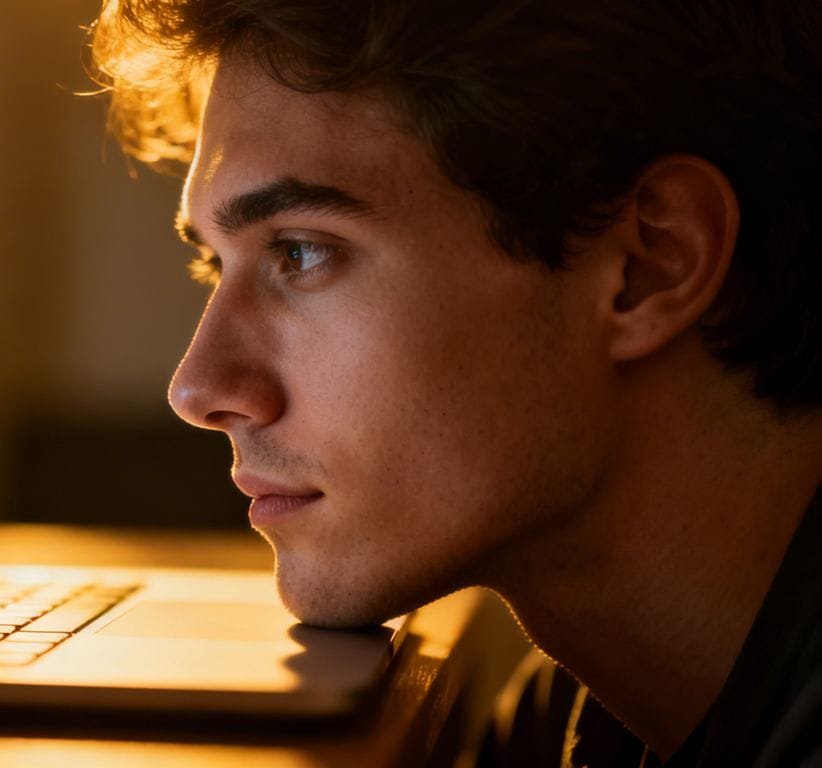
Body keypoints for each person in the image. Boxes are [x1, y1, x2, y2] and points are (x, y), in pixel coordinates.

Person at [86, 1, 821, 765]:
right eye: (214, 264)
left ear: (648, 266)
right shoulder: (578, 714)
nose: (198, 388)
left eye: (301, 252)